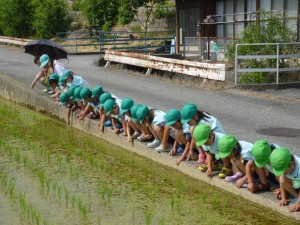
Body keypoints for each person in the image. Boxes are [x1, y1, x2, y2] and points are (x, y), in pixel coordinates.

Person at [270, 147, 300, 212]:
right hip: (297, 182)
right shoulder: (288, 164)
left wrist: (298, 203)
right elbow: (281, 181)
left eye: (284, 171)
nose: (283, 173)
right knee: (281, 178)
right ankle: (297, 196)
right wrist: (283, 198)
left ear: (291, 164)